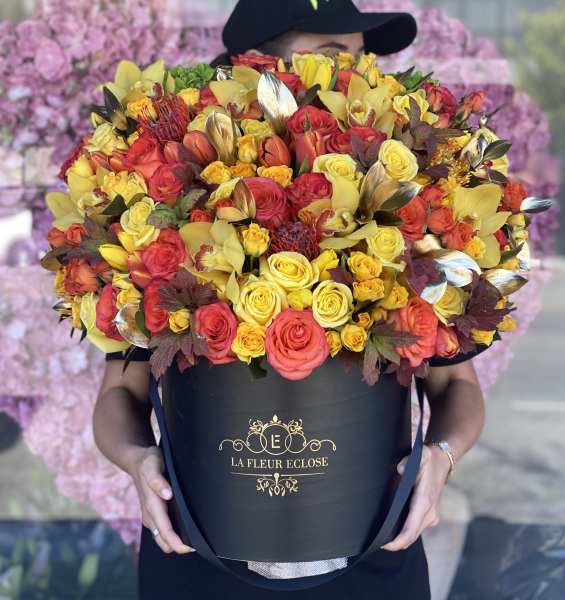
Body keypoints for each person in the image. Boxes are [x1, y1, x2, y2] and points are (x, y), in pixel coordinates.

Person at [93, 1, 487, 598]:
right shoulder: (167, 206)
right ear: (256, 64)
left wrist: (441, 457)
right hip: (200, 554)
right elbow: (119, 393)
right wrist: (137, 460)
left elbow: (457, 384)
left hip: (372, 553)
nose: (356, 74)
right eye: (332, 56)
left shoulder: (403, 198)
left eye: (361, 58)